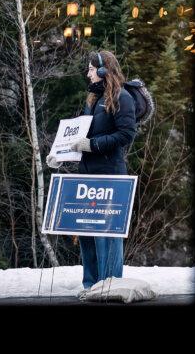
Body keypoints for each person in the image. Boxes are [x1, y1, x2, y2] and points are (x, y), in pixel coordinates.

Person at [49, 50, 137, 295]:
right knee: (87, 233)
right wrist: (60, 154)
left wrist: (93, 145)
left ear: (102, 71)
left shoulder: (122, 97)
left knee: (106, 235)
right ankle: (91, 286)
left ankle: (109, 286)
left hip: (109, 176)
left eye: (90, 69)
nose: (87, 73)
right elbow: (80, 136)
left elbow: (127, 134)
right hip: (87, 175)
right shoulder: (93, 99)